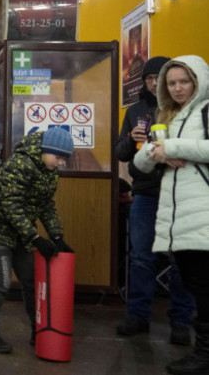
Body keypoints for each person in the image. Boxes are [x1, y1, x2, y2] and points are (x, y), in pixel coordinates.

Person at [133, 55, 209, 375]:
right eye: (172, 83)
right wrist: (158, 151)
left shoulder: (206, 111)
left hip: (202, 213)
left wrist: (174, 147)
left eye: (184, 82)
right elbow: (139, 164)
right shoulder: (170, 116)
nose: (178, 88)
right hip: (182, 218)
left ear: (199, 81)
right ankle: (202, 350)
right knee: (195, 282)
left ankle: (204, 354)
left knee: (203, 287)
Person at [0, 126, 75, 354]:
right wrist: (36, 238)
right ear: (47, 150)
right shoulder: (21, 164)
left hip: (19, 230)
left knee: (31, 281)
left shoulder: (48, 170)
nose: (60, 163)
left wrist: (57, 236)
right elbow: (11, 205)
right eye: (59, 157)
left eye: (64, 159)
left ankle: (39, 330)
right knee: (2, 281)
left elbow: (46, 205)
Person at [115, 56, 195, 345]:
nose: (152, 83)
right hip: (146, 192)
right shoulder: (136, 110)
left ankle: (182, 322)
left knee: (182, 259)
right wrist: (129, 140)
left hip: (181, 191)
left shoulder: (186, 110)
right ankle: (137, 316)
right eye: (148, 79)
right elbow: (121, 152)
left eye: (157, 78)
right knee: (140, 257)